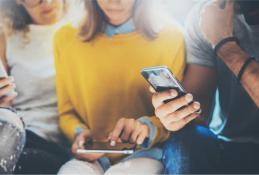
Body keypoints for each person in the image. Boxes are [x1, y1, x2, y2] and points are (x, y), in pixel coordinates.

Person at [54, 0, 186, 174]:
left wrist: (147, 127)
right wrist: (78, 133)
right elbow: (66, 111)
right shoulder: (65, 37)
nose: (113, 1)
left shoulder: (171, 37)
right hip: (90, 158)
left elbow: (178, 113)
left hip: (145, 154)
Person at [151, 0, 259, 173]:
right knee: (185, 139)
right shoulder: (208, 14)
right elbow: (200, 109)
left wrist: (225, 44)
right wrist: (176, 114)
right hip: (229, 143)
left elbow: (224, 45)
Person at [0, 0, 70, 173]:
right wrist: (4, 101)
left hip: (57, 142)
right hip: (16, 128)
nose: (46, 3)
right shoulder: (7, 36)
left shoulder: (81, 31)